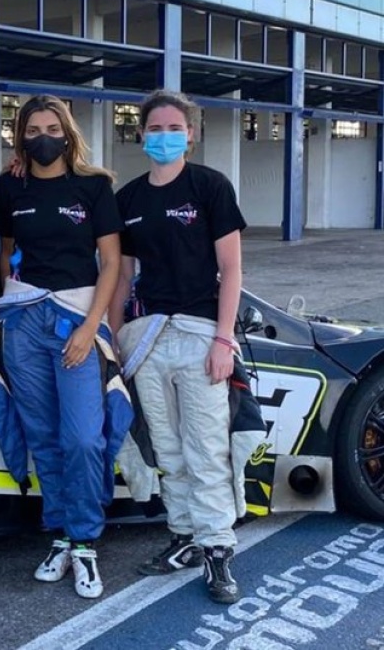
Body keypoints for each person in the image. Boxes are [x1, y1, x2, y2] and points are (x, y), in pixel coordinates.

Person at [108, 89, 247, 604]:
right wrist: (118, 341)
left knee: (206, 447)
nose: (163, 136)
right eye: (154, 128)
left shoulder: (210, 186)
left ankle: (217, 548)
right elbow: (121, 280)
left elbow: (231, 269)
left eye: (174, 128)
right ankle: (186, 535)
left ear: (190, 133)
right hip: (147, 341)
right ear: (141, 135)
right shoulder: (130, 200)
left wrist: (224, 339)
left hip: (200, 336)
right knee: (166, 448)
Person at [0, 94, 122, 599]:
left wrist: (92, 328)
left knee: (84, 437)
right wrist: (14, 308)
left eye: (51, 127)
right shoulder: (9, 187)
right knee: (42, 436)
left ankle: (85, 540)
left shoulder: (94, 186)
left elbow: (109, 262)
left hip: (76, 322)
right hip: (25, 323)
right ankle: (62, 535)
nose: (42, 136)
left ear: (67, 132)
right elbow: (4, 253)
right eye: (31, 129)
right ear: (20, 136)